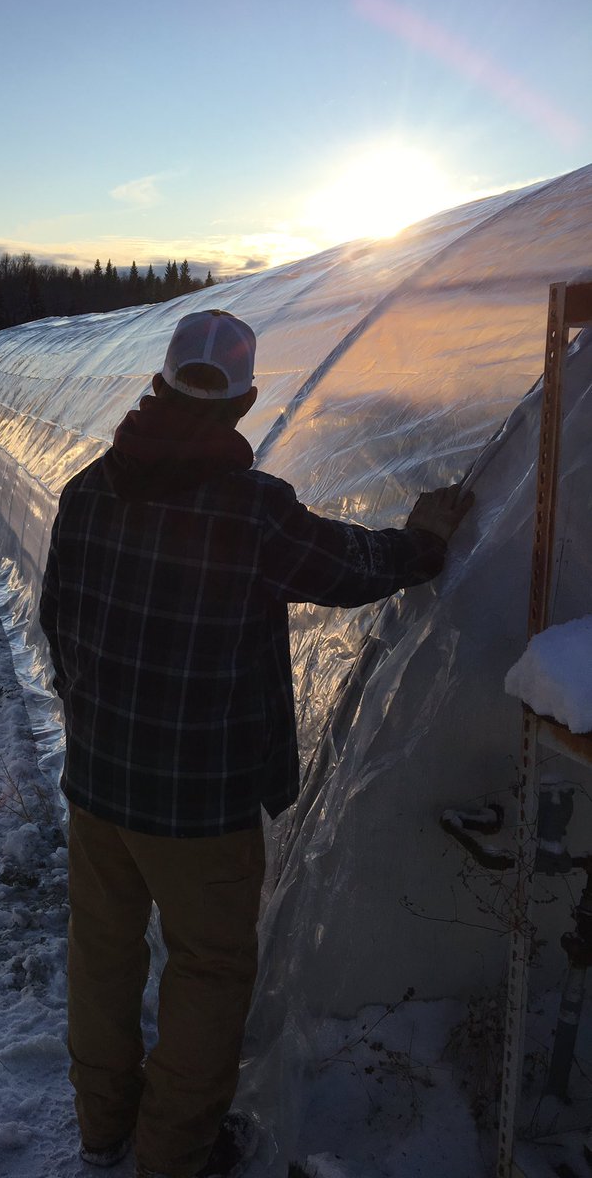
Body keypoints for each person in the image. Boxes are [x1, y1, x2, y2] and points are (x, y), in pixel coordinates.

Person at [39, 309, 473, 1178]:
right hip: (199, 805)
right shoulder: (249, 510)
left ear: (158, 387)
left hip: (98, 784)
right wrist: (424, 540)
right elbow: (351, 567)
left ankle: (103, 1128)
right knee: (207, 971)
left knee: (103, 952)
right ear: (244, 403)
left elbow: (61, 620)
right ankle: (175, 1155)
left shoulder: (89, 488)